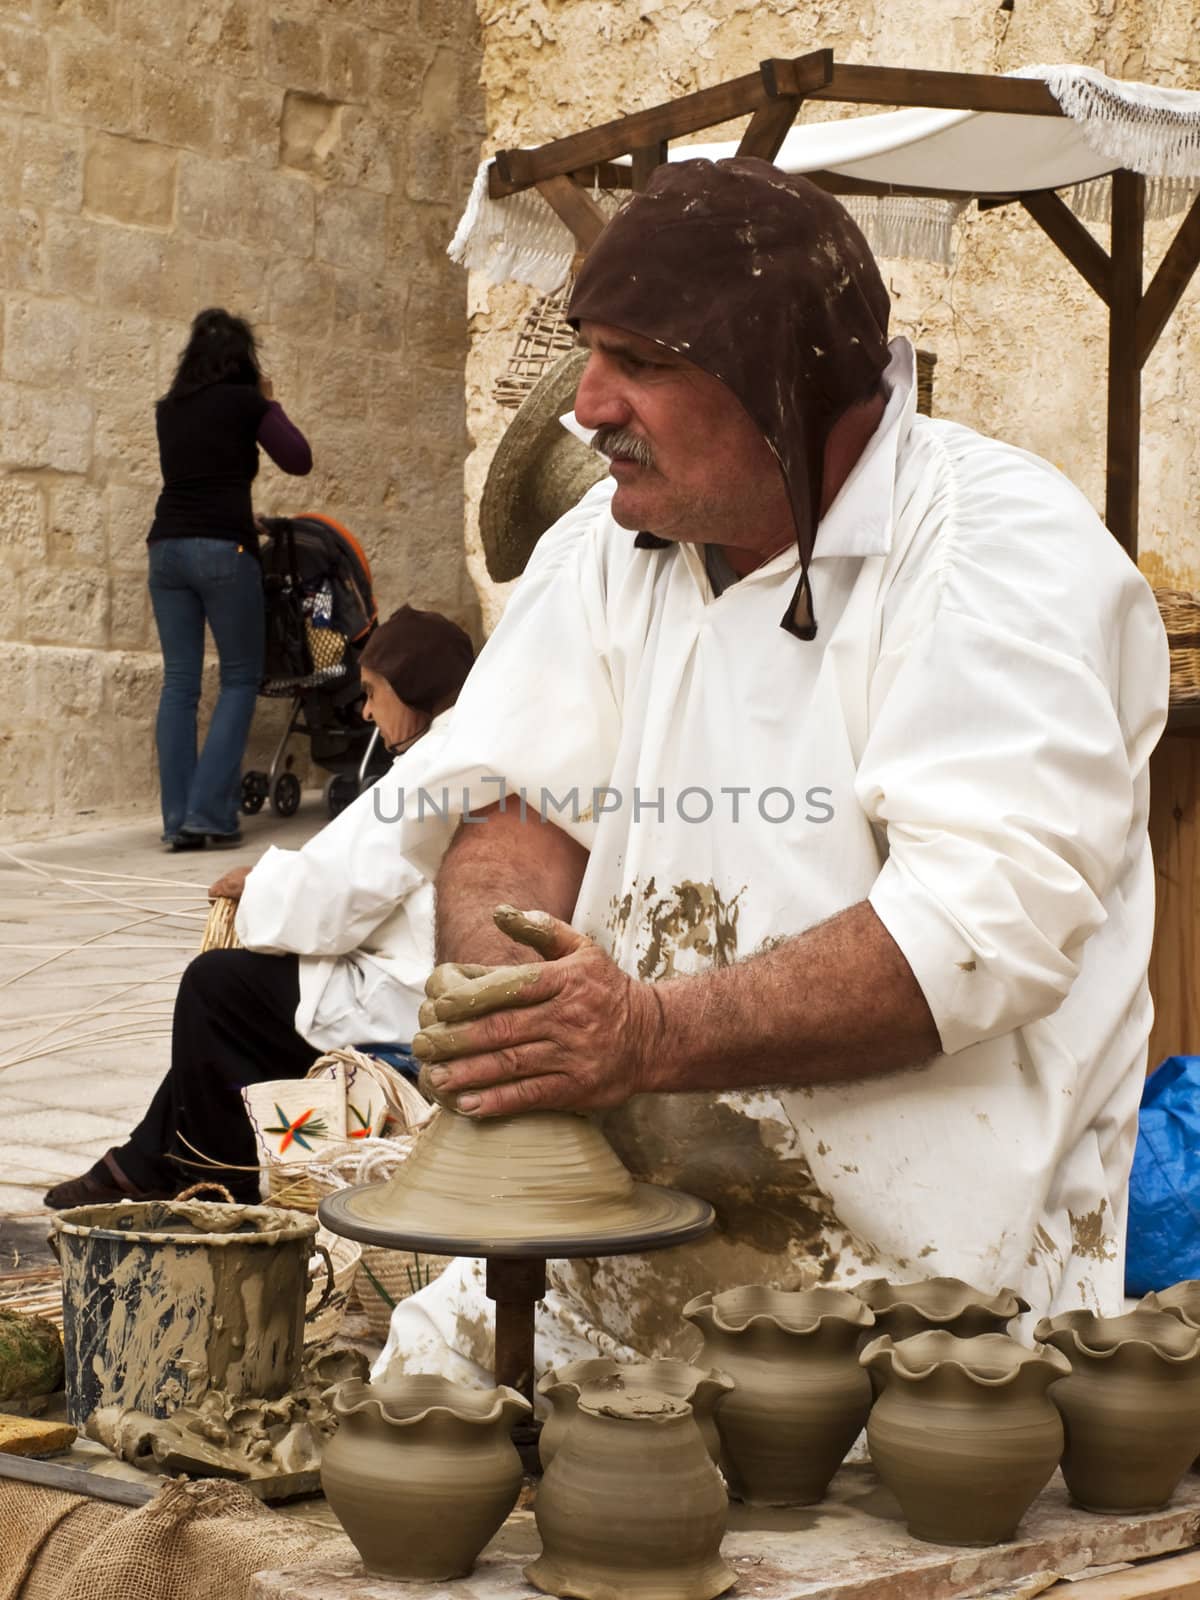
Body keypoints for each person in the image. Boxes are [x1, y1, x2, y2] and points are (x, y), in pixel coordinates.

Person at [370, 157, 1169, 1383]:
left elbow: (973, 930)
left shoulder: (998, 553)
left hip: (920, 1312)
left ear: (783, 381)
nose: (587, 405)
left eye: (639, 362)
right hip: (609, 1256)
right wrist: (508, 1003)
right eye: (592, 352)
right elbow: (512, 795)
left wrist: (646, 1036)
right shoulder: (611, 543)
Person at [44, 606, 475, 1210]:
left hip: (405, 999)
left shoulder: (432, 769)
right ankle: (141, 1162)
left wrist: (263, 885)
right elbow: (354, 872)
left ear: (415, 690)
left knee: (216, 989)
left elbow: (338, 898)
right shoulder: (456, 749)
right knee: (230, 1013)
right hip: (410, 978)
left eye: (374, 694)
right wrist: (281, 876)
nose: (367, 712)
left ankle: (217, 1181)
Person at [149, 307, 313, 851]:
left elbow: (200, 479)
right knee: (241, 678)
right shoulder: (246, 403)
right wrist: (269, 401)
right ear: (244, 358)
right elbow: (297, 458)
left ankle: (178, 821)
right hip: (224, 551)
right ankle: (208, 815)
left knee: (180, 683)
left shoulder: (169, 409)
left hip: (166, 550)